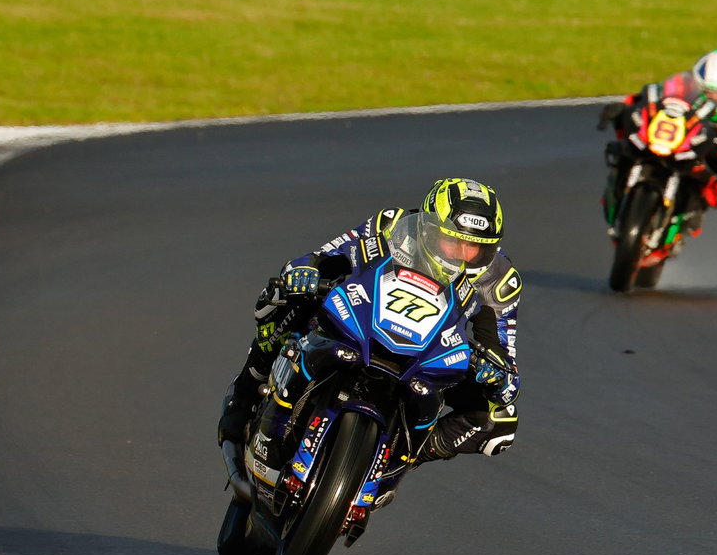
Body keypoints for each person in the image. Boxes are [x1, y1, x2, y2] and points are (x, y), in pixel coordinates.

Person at [218, 177, 521, 460]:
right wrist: (304, 270)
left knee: (501, 419)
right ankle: (244, 392)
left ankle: (397, 458)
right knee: (285, 295)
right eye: (454, 242)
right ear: (429, 229)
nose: (466, 255)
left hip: (431, 351)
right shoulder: (390, 224)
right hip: (361, 318)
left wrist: (495, 374)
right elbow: (325, 256)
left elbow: (505, 363)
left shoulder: (500, 281)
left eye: (478, 248)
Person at [596, 49, 717, 237]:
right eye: (707, 91)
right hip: (684, 134)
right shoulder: (683, 83)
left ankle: (691, 214)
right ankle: (618, 187)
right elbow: (649, 99)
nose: (713, 97)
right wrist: (625, 107)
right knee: (629, 134)